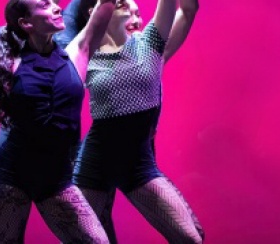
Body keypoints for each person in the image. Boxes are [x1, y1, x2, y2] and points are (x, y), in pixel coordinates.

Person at [0, 0, 116, 241]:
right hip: (11, 177)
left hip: (56, 179)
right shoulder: (9, 65)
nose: (57, 7)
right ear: (26, 23)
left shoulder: (76, 53)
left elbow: (106, 5)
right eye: (45, 5)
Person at [63, 0, 204, 242]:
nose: (134, 16)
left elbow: (184, 9)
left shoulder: (150, 43)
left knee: (191, 238)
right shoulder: (86, 52)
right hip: (94, 163)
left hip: (137, 164)